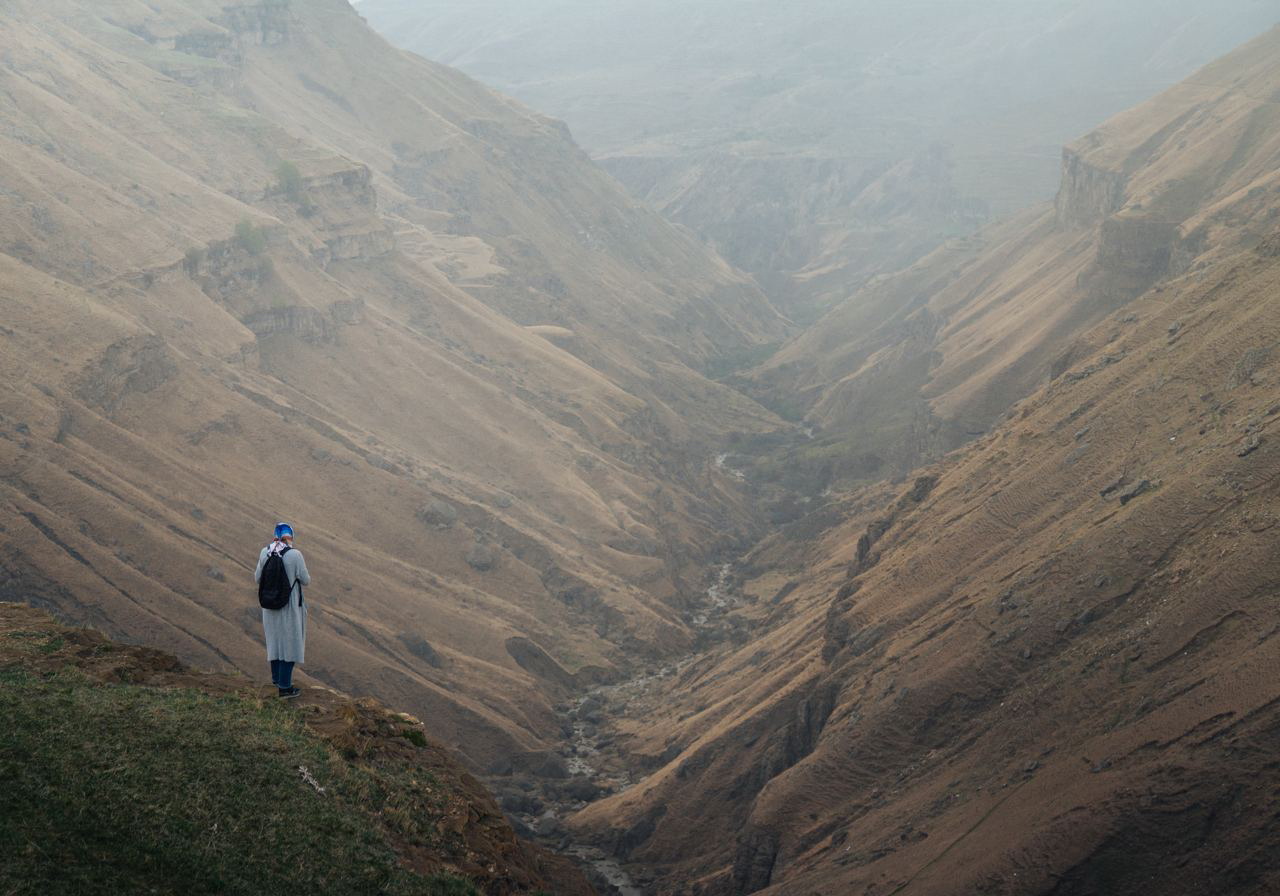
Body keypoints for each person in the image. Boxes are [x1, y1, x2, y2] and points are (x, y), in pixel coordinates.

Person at [254, 522, 311, 699]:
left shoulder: (265, 552)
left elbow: (257, 578)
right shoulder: (295, 555)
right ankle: (285, 688)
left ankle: (276, 681)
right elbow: (306, 579)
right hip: (289, 607)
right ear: (290, 536)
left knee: (275, 643)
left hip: (270, 607)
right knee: (290, 645)